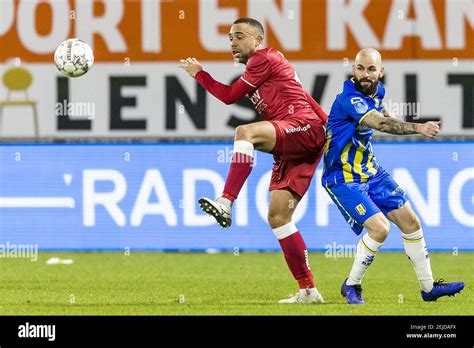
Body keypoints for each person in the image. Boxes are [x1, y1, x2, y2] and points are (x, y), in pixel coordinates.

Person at [179, 18, 328, 303]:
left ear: (258, 40)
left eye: (239, 36)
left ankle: (225, 201)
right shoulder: (271, 64)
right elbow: (306, 96)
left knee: (244, 132)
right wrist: (329, 127)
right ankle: (308, 290)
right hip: (301, 138)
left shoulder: (263, 57)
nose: (232, 42)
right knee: (278, 217)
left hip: (301, 129)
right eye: (230, 37)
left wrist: (199, 73)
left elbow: (228, 96)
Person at [322, 48, 464, 304]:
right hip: (342, 177)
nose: (365, 74)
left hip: (371, 172)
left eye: (371, 69)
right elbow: (382, 124)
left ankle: (428, 288)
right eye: (361, 68)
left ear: (380, 71)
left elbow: (387, 116)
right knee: (380, 229)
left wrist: (401, 121)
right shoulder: (349, 99)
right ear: (353, 69)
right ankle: (352, 285)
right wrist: (419, 127)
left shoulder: (378, 91)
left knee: (411, 223)